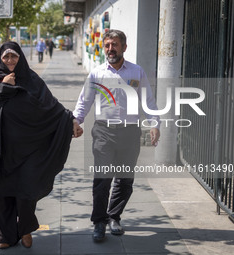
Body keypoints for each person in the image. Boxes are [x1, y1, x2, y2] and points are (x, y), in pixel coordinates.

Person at [0, 42, 83, 249]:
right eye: (6, 57)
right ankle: (5, 237)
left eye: (14, 57)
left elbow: (52, 106)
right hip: (0, 149)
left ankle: (25, 229)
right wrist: (4, 86)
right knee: (2, 194)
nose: (10, 61)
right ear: (0, 59)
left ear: (21, 58)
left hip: (29, 149)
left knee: (26, 193)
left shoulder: (32, 80)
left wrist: (71, 120)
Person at [73, 30, 160, 242]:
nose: (110, 49)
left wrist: (154, 124)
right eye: (107, 45)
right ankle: (99, 222)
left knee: (125, 180)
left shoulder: (136, 72)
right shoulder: (97, 73)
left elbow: (147, 100)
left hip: (130, 132)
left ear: (124, 47)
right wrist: (76, 120)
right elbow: (84, 101)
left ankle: (114, 216)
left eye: (115, 45)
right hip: (104, 131)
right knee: (103, 179)